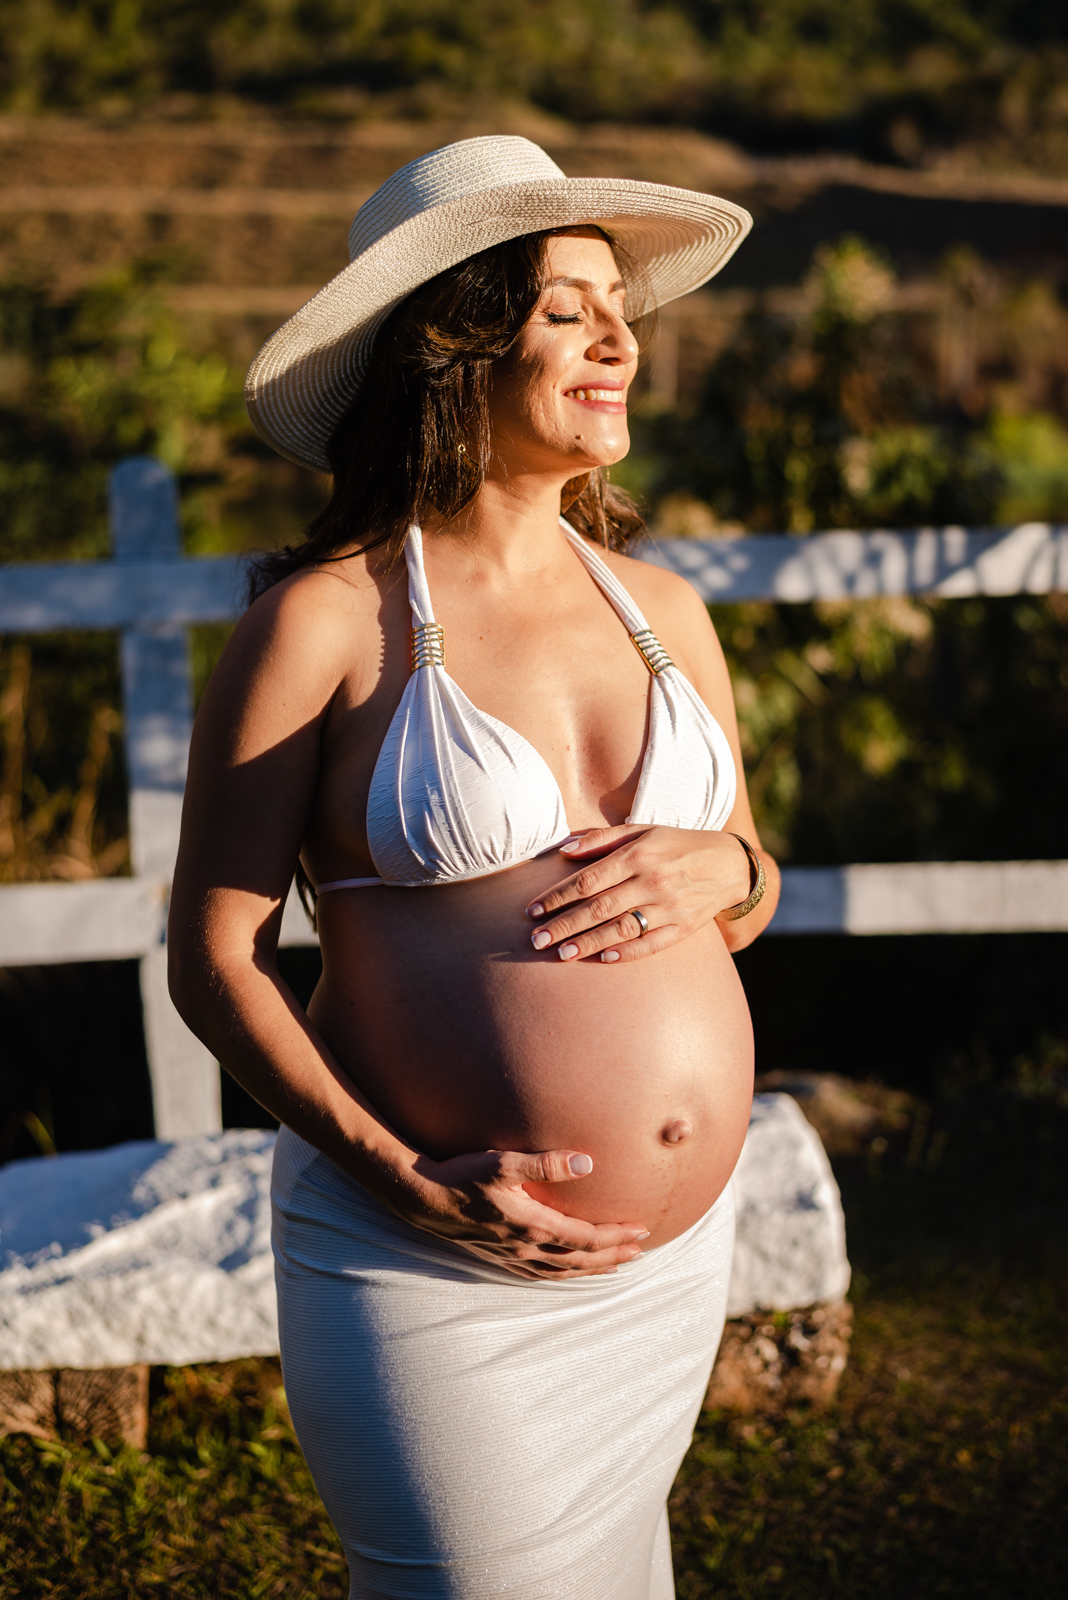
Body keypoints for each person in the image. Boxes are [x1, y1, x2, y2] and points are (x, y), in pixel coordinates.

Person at [169, 135, 781, 1600]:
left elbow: (747, 882)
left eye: (616, 305)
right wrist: (401, 1179)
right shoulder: (324, 623)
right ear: (454, 346)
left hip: (667, 1273)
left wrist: (730, 874)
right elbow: (213, 958)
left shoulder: (666, 610)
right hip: (431, 1265)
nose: (620, 335)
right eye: (568, 305)